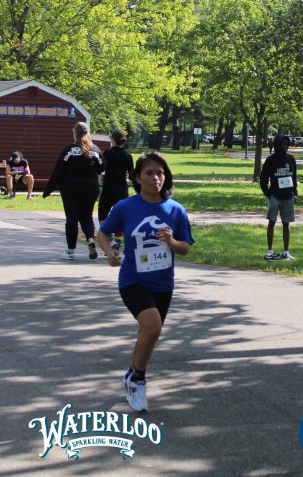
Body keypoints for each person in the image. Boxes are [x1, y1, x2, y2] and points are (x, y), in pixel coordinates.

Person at [96, 151, 193, 412]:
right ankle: (138, 380)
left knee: (147, 332)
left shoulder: (175, 210)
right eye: (149, 173)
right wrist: (109, 252)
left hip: (163, 283)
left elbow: (185, 248)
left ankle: (131, 374)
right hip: (132, 280)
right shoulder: (126, 207)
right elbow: (102, 233)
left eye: (160, 173)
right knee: (152, 327)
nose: (155, 178)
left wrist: (172, 241)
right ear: (137, 178)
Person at [44, 122, 105, 260]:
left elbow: (59, 169)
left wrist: (49, 189)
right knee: (87, 216)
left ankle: (70, 251)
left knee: (72, 218)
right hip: (90, 187)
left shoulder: (69, 149)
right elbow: (102, 168)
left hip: (70, 188)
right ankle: (90, 239)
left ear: (75, 133)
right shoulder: (95, 149)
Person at [259, 134, 297, 261]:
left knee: (286, 224)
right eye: (283, 144)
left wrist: (295, 193)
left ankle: (286, 252)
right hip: (275, 197)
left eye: (287, 144)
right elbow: (263, 180)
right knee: (272, 222)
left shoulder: (291, 159)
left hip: (288, 197)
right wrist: (269, 194)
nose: (285, 146)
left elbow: (294, 178)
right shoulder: (271, 160)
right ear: (277, 145)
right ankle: (270, 250)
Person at [99, 129, 135, 248]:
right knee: (120, 216)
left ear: (113, 140)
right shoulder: (128, 155)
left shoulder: (107, 154)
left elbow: (101, 169)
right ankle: (118, 243)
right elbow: (131, 175)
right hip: (122, 189)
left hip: (108, 188)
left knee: (102, 215)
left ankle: (110, 239)